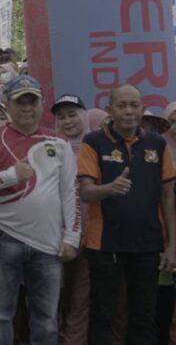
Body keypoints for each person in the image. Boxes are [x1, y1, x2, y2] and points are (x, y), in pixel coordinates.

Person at [0, 75, 80, 345]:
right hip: (5, 238)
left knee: (45, 316)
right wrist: (11, 175)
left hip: (49, 243)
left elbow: (71, 194)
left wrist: (72, 237)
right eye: (21, 102)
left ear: (42, 105)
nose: (27, 108)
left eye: (33, 101)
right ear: (8, 104)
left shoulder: (59, 142)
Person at [77, 84, 176, 344]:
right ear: (110, 110)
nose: (129, 111)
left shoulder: (158, 144)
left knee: (144, 316)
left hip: (148, 244)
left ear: (143, 110)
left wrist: (171, 246)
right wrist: (110, 188)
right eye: (122, 105)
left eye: (134, 105)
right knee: (103, 314)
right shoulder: (93, 142)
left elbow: (167, 195)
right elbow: (86, 193)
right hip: (104, 244)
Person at [51, 93, 91, 345]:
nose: (67, 121)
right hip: (54, 233)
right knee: (54, 294)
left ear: (84, 116)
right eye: (61, 117)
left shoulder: (96, 144)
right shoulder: (51, 147)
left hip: (90, 233)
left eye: (72, 114)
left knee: (81, 294)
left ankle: (73, 340)